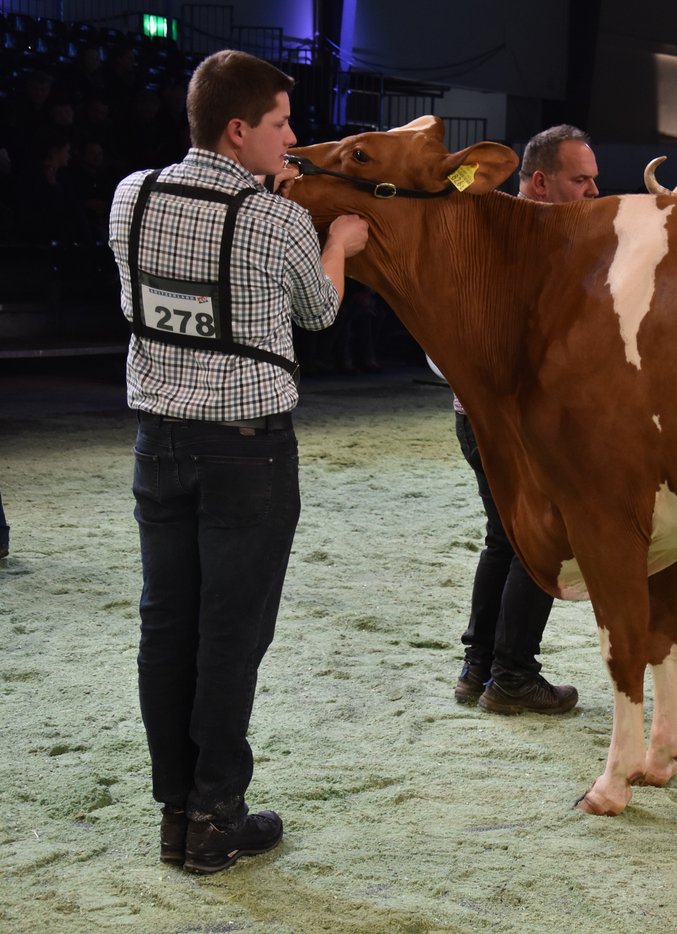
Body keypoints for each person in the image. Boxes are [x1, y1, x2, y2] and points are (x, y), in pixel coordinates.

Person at [107, 49, 368, 874]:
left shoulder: (131, 196)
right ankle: (217, 811)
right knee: (229, 635)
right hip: (246, 453)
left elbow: (135, 301)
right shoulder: (277, 220)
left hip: (158, 441)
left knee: (166, 626)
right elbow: (319, 311)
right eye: (282, 124)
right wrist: (340, 242)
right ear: (238, 130)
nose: (291, 140)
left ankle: (174, 812)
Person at [451, 124, 598, 715]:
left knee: (504, 540)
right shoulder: (521, 242)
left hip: (476, 415)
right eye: (580, 180)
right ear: (540, 182)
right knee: (538, 540)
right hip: (512, 420)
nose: (593, 192)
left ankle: (479, 666)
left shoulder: (487, 231)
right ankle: (512, 676)